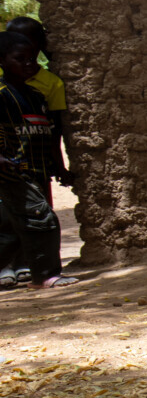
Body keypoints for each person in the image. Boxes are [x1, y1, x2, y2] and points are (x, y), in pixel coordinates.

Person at [0, 31, 75, 289]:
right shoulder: (2, 96)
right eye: (20, 58)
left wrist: (59, 167)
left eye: (32, 58)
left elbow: (49, 134)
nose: (29, 63)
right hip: (13, 172)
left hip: (38, 170)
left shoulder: (36, 96)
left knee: (15, 230)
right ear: (2, 61)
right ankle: (45, 275)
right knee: (42, 220)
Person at [6, 17, 72, 206]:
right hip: (6, 167)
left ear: (40, 44)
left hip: (38, 166)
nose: (18, 45)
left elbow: (55, 130)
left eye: (25, 40)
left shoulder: (51, 84)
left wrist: (59, 166)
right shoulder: (3, 83)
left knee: (40, 214)